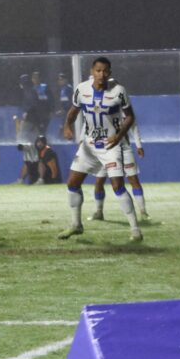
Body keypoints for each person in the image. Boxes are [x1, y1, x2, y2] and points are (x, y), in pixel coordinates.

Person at [58, 57, 143, 242]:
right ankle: (76, 224)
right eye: (98, 71)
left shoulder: (119, 91)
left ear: (109, 73)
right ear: (92, 72)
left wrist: (118, 136)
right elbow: (73, 110)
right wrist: (67, 126)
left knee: (118, 186)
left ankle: (135, 229)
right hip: (89, 145)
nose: (101, 74)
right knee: (72, 183)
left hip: (110, 146)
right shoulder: (81, 89)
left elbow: (130, 117)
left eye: (105, 71)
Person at [92, 115, 148, 221]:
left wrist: (139, 145)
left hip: (124, 148)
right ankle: (99, 212)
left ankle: (143, 211)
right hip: (104, 151)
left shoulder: (125, 110)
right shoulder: (98, 110)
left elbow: (133, 126)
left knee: (133, 179)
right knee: (99, 181)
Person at [31, 71, 53, 135]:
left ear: (40, 78)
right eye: (34, 78)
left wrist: (51, 110)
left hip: (45, 112)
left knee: (43, 129)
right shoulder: (32, 89)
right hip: (36, 113)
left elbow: (51, 99)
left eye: (37, 78)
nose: (35, 79)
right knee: (38, 129)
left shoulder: (45, 87)